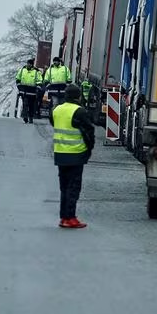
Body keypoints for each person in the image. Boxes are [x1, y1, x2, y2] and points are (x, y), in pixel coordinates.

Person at [53, 84, 95, 228]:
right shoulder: (79, 111)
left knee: (64, 188)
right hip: (76, 154)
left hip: (60, 154)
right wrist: (89, 149)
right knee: (73, 187)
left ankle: (64, 217)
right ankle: (70, 218)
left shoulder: (57, 110)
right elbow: (89, 132)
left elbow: (54, 123)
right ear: (78, 96)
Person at [15, 58, 42, 123]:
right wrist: (19, 87)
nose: (28, 65)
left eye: (29, 64)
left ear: (32, 65)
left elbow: (39, 81)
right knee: (25, 104)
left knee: (31, 106)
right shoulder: (22, 70)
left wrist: (37, 89)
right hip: (24, 91)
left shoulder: (36, 72)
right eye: (27, 63)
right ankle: (25, 117)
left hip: (32, 92)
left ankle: (30, 117)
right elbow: (18, 79)